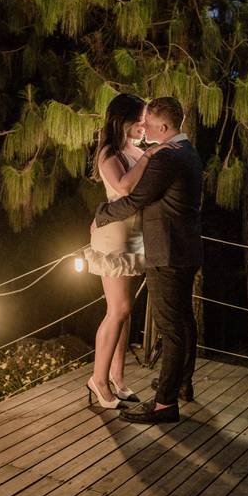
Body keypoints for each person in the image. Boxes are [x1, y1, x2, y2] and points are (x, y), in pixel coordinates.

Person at [92, 96, 203, 423]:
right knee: (173, 321)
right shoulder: (184, 151)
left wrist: (102, 214)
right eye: (140, 120)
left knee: (172, 325)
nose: (145, 128)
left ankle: (164, 401)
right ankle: (169, 385)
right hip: (159, 245)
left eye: (150, 123)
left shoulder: (166, 156)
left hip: (164, 247)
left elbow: (137, 197)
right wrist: (104, 217)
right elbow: (130, 192)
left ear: (164, 127)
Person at [84, 93, 176, 409]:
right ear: (122, 121)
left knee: (126, 313)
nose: (143, 126)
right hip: (114, 240)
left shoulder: (135, 150)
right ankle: (98, 380)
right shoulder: (109, 154)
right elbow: (124, 188)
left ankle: (118, 378)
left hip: (134, 238)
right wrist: (151, 157)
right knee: (118, 310)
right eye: (138, 121)